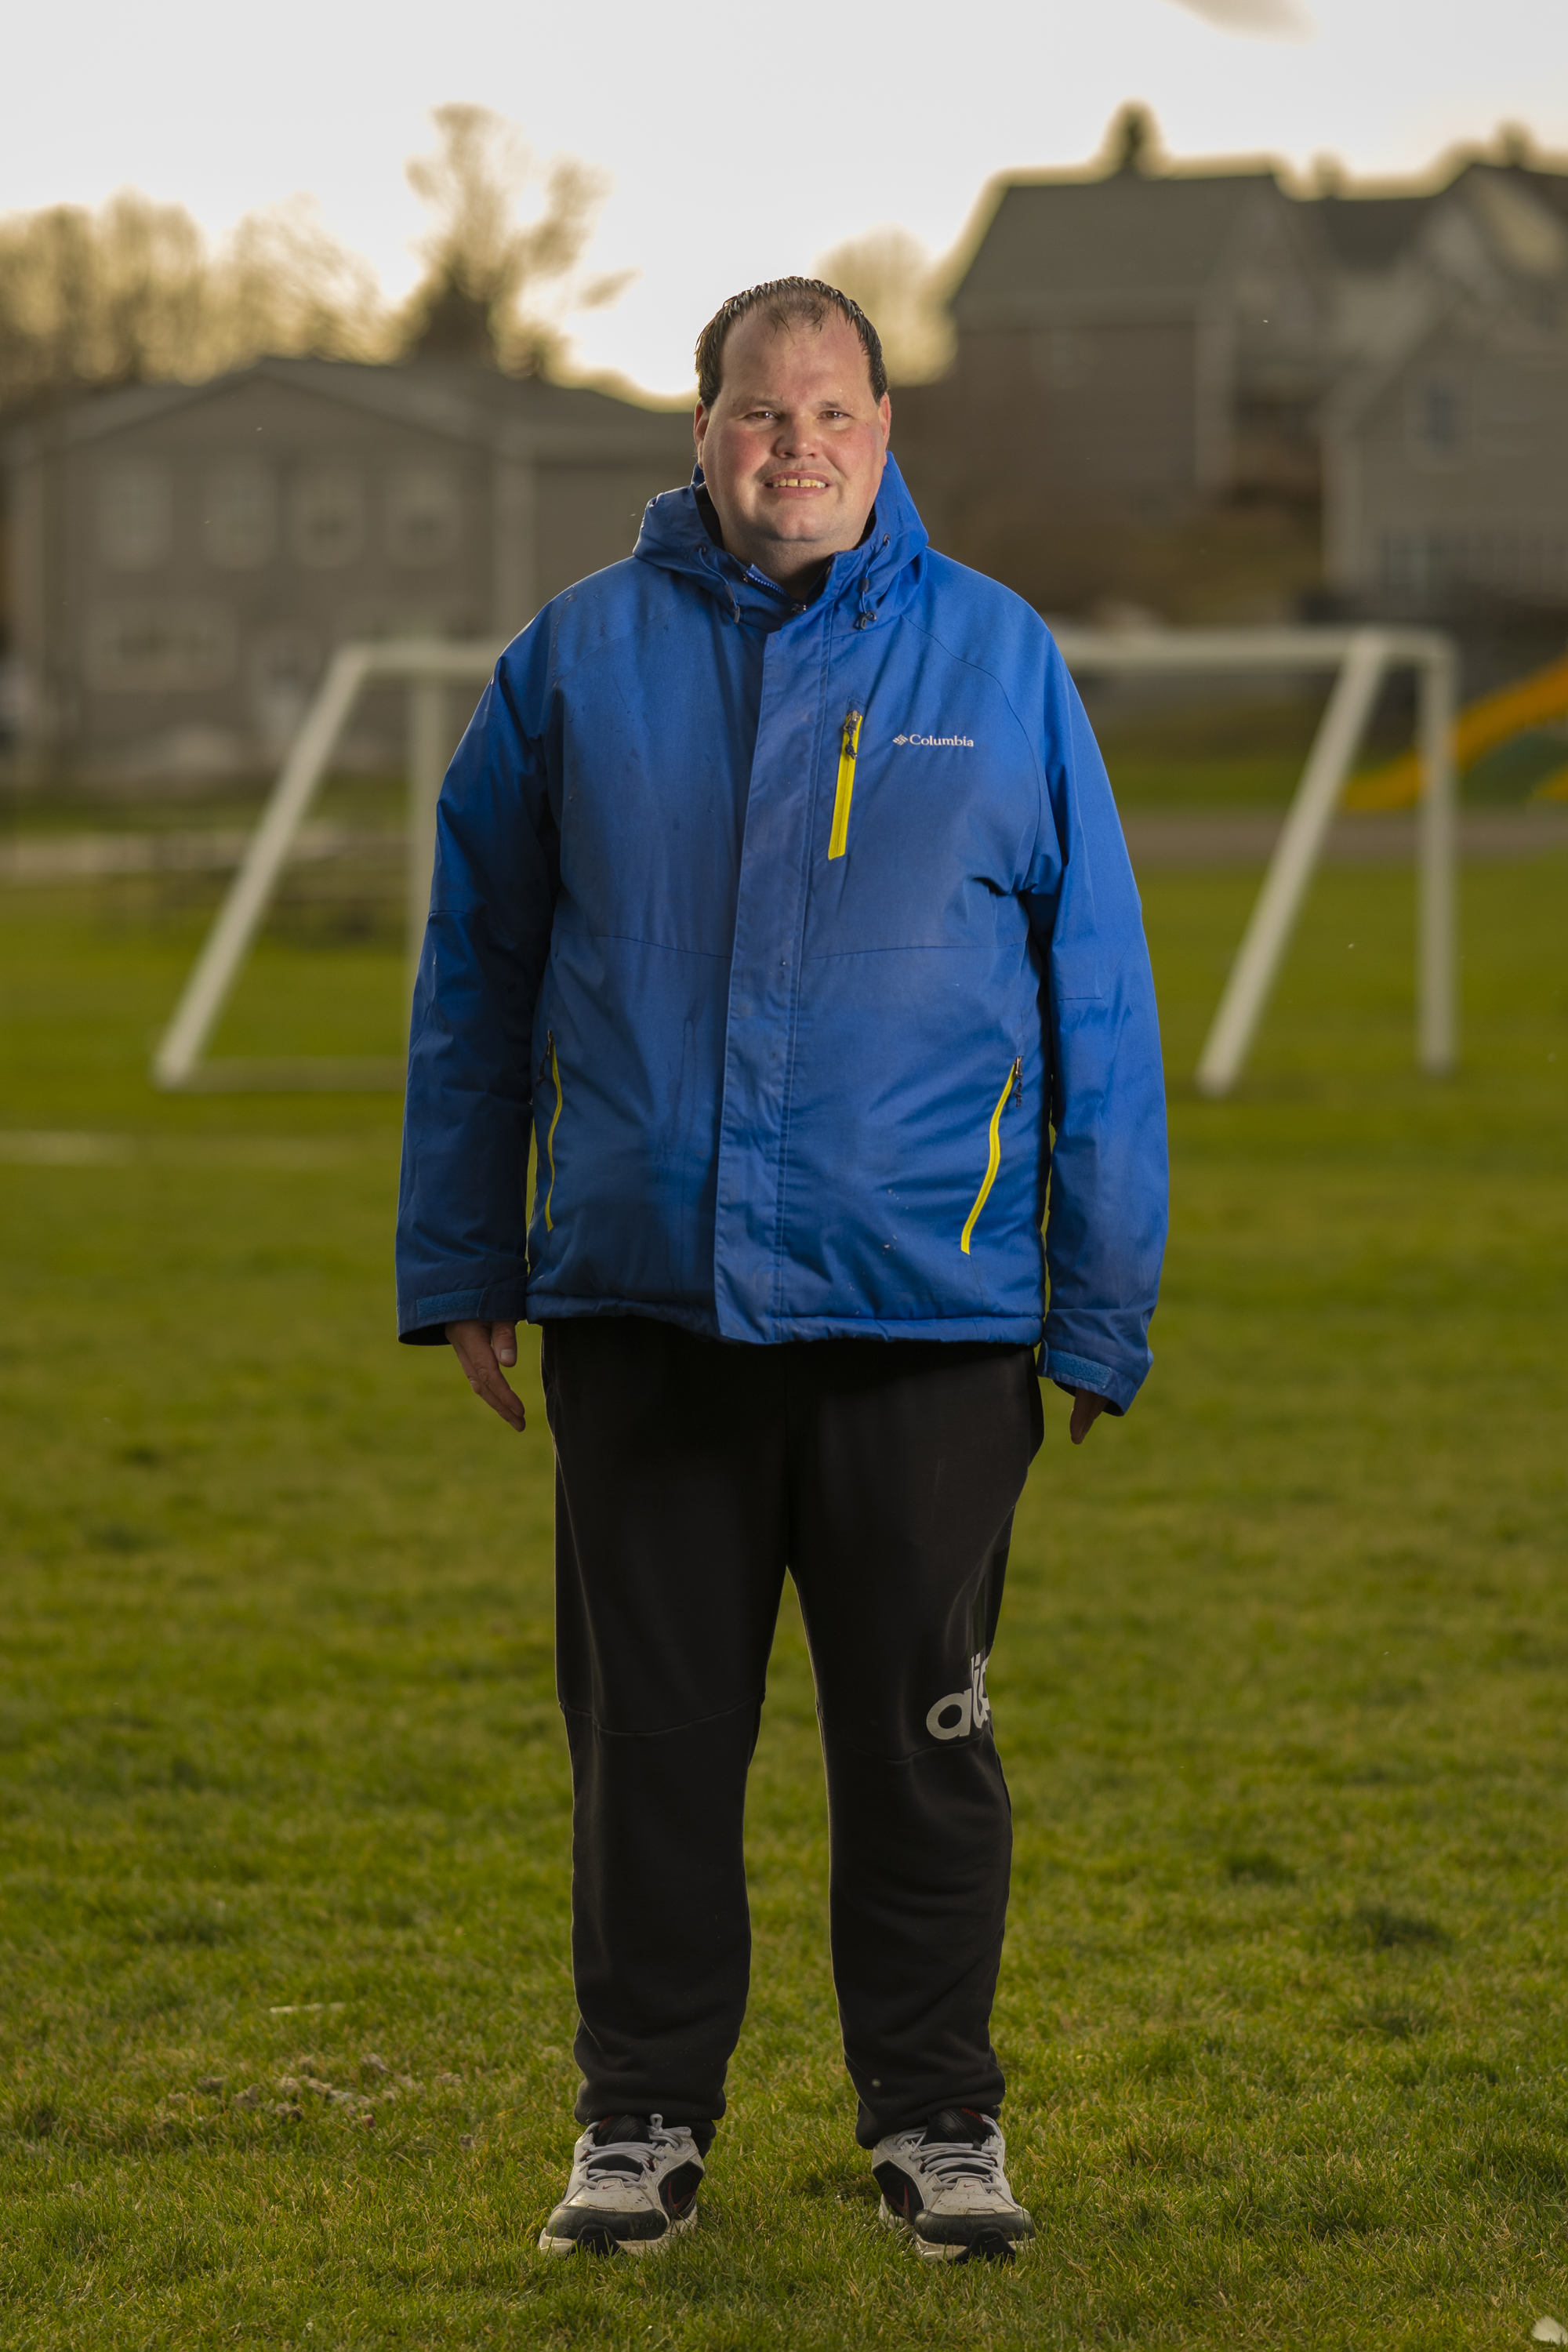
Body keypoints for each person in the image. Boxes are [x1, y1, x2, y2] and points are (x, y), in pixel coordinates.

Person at [396, 278, 1167, 2265]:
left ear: (885, 431)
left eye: (830, 412)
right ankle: (639, 2118)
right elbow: (471, 983)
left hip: (928, 1326)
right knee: (647, 1751)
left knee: (925, 1755)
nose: (793, 447)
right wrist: (469, 1251)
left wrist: (1099, 1301)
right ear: (703, 429)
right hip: (643, 1319)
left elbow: (1100, 1003)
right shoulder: (571, 662)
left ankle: (939, 2124)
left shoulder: (1001, 663)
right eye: (757, 413)